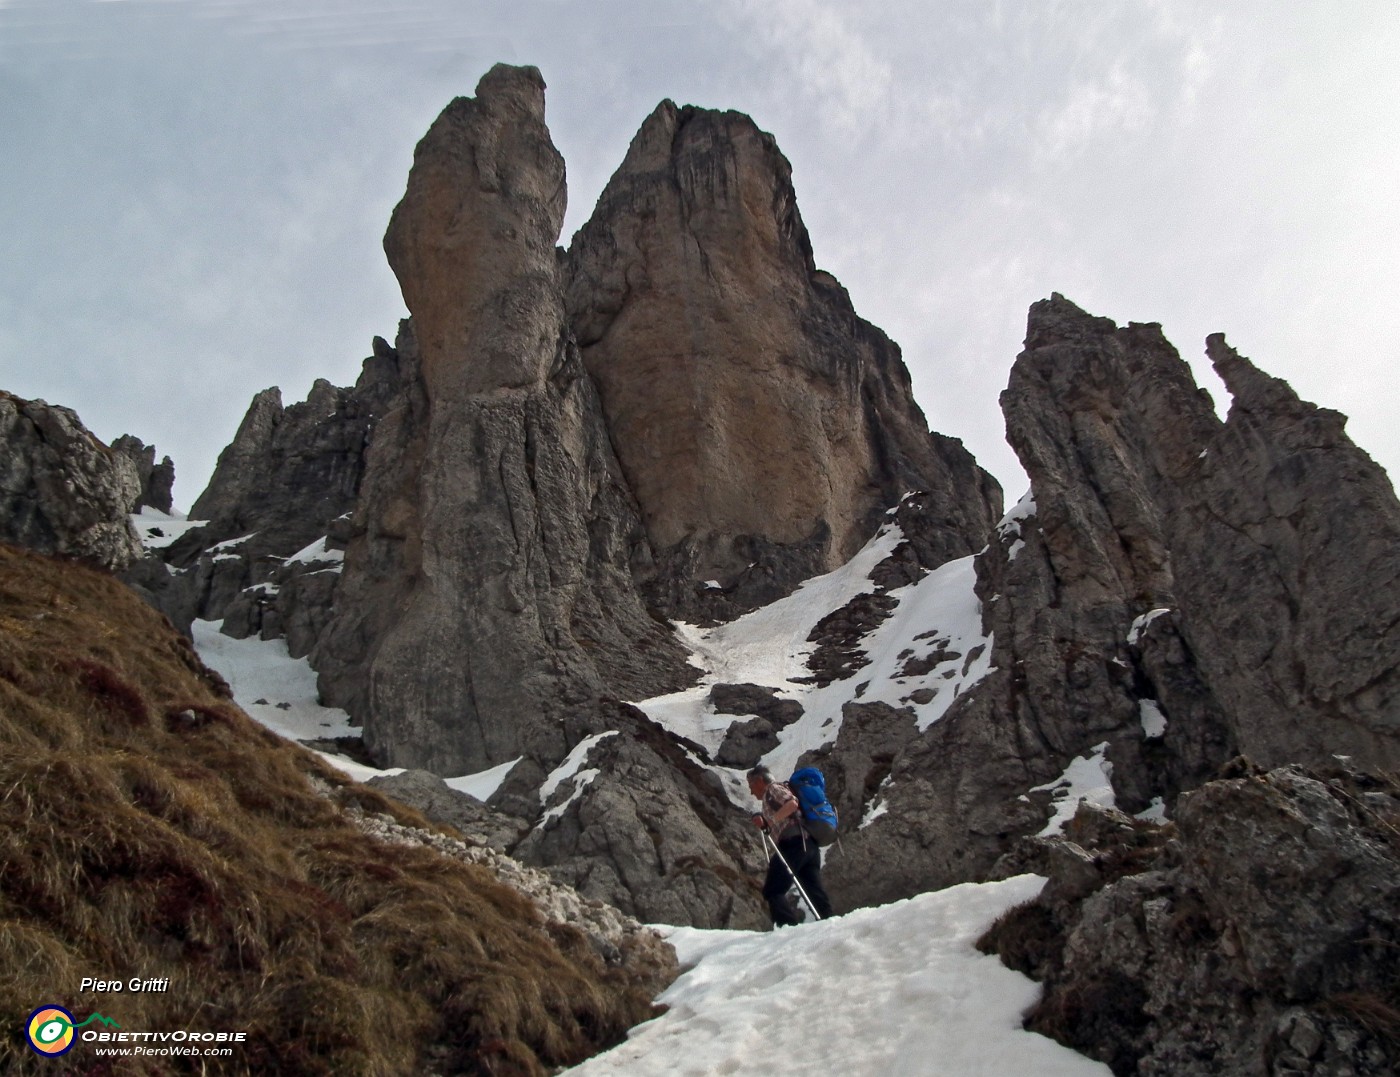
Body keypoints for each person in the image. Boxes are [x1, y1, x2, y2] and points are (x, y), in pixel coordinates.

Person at [747, 765, 833, 927]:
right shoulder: (776, 791)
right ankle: (830, 924)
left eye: (751, 785)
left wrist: (770, 821)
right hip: (809, 846)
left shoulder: (772, 789)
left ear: (759, 780)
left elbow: (792, 804)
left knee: (773, 889)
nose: (751, 791)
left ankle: (787, 928)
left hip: (794, 843)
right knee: (814, 891)